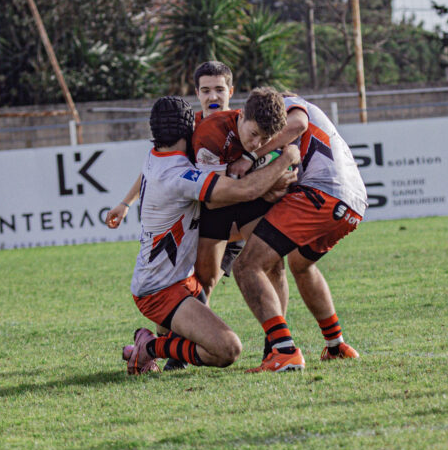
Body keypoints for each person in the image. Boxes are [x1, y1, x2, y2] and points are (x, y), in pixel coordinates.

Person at [123, 95, 299, 374]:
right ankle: (149, 348)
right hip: (159, 290)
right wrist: (287, 157)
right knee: (227, 349)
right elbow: (243, 191)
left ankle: (157, 344)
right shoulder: (181, 176)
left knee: (206, 332)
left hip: (176, 280)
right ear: (190, 129)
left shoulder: (156, 157)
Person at [232, 88, 368, 372]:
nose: (264, 139)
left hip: (322, 194)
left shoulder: (290, 104)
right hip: (352, 206)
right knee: (300, 264)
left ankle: (284, 351)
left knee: (247, 265)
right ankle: (336, 345)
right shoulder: (301, 130)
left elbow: (297, 125)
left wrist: (250, 156)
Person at [105, 61, 235, 229]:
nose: (213, 97)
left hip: (238, 211)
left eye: (219, 90)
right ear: (197, 93)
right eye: (206, 91)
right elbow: (156, 167)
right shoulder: (187, 126)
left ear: (230, 92)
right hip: (200, 220)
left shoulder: (243, 127)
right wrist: (126, 203)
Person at [190, 89, 292, 301]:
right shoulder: (211, 133)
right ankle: (198, 322)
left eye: (265, 139)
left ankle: (279, 324)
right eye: (253, 134)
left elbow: (299, 127)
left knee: (273, 265)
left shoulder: (268, 134)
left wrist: (282, 168)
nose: (257, 144)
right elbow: (214, 201)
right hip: (216, 205)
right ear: (242, 114)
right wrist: (266, 184)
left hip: (250, 198)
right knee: (204, 281)